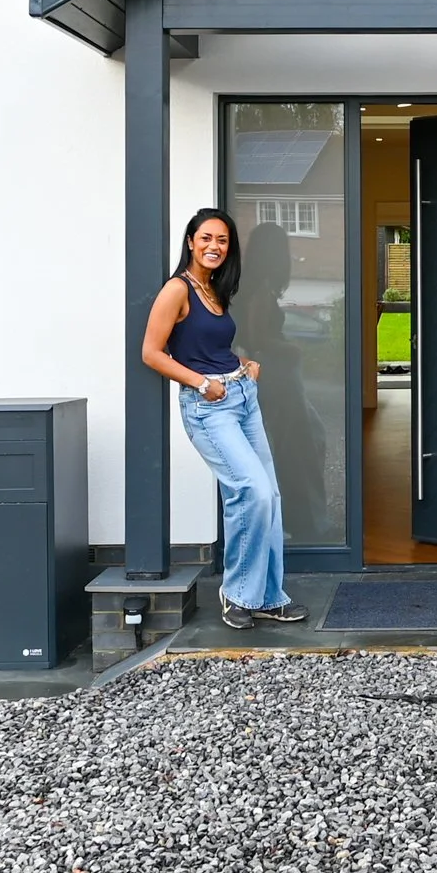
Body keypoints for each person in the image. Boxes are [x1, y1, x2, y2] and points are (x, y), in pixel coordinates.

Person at [140, 208, 306, 630]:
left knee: (269, 493)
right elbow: (152, 353)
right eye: (207, 238)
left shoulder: (214, 289)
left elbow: (211, 345)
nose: (215, 246)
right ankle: (237, 594)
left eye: (223, 240)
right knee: (250, 490)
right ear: (191, 242)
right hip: (209, 406)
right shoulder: (176, 290)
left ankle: (268, 596)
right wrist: (201, 382)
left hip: (242, 394)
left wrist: (243, 362)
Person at [236, 220, 337, 544]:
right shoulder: (259, 290)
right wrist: (291, 347)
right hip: (278, 377)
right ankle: (309, 525)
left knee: (298, 443)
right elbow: (257, 338)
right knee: (301, 447)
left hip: (273, 377)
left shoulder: (251, 286)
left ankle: (297, 521)